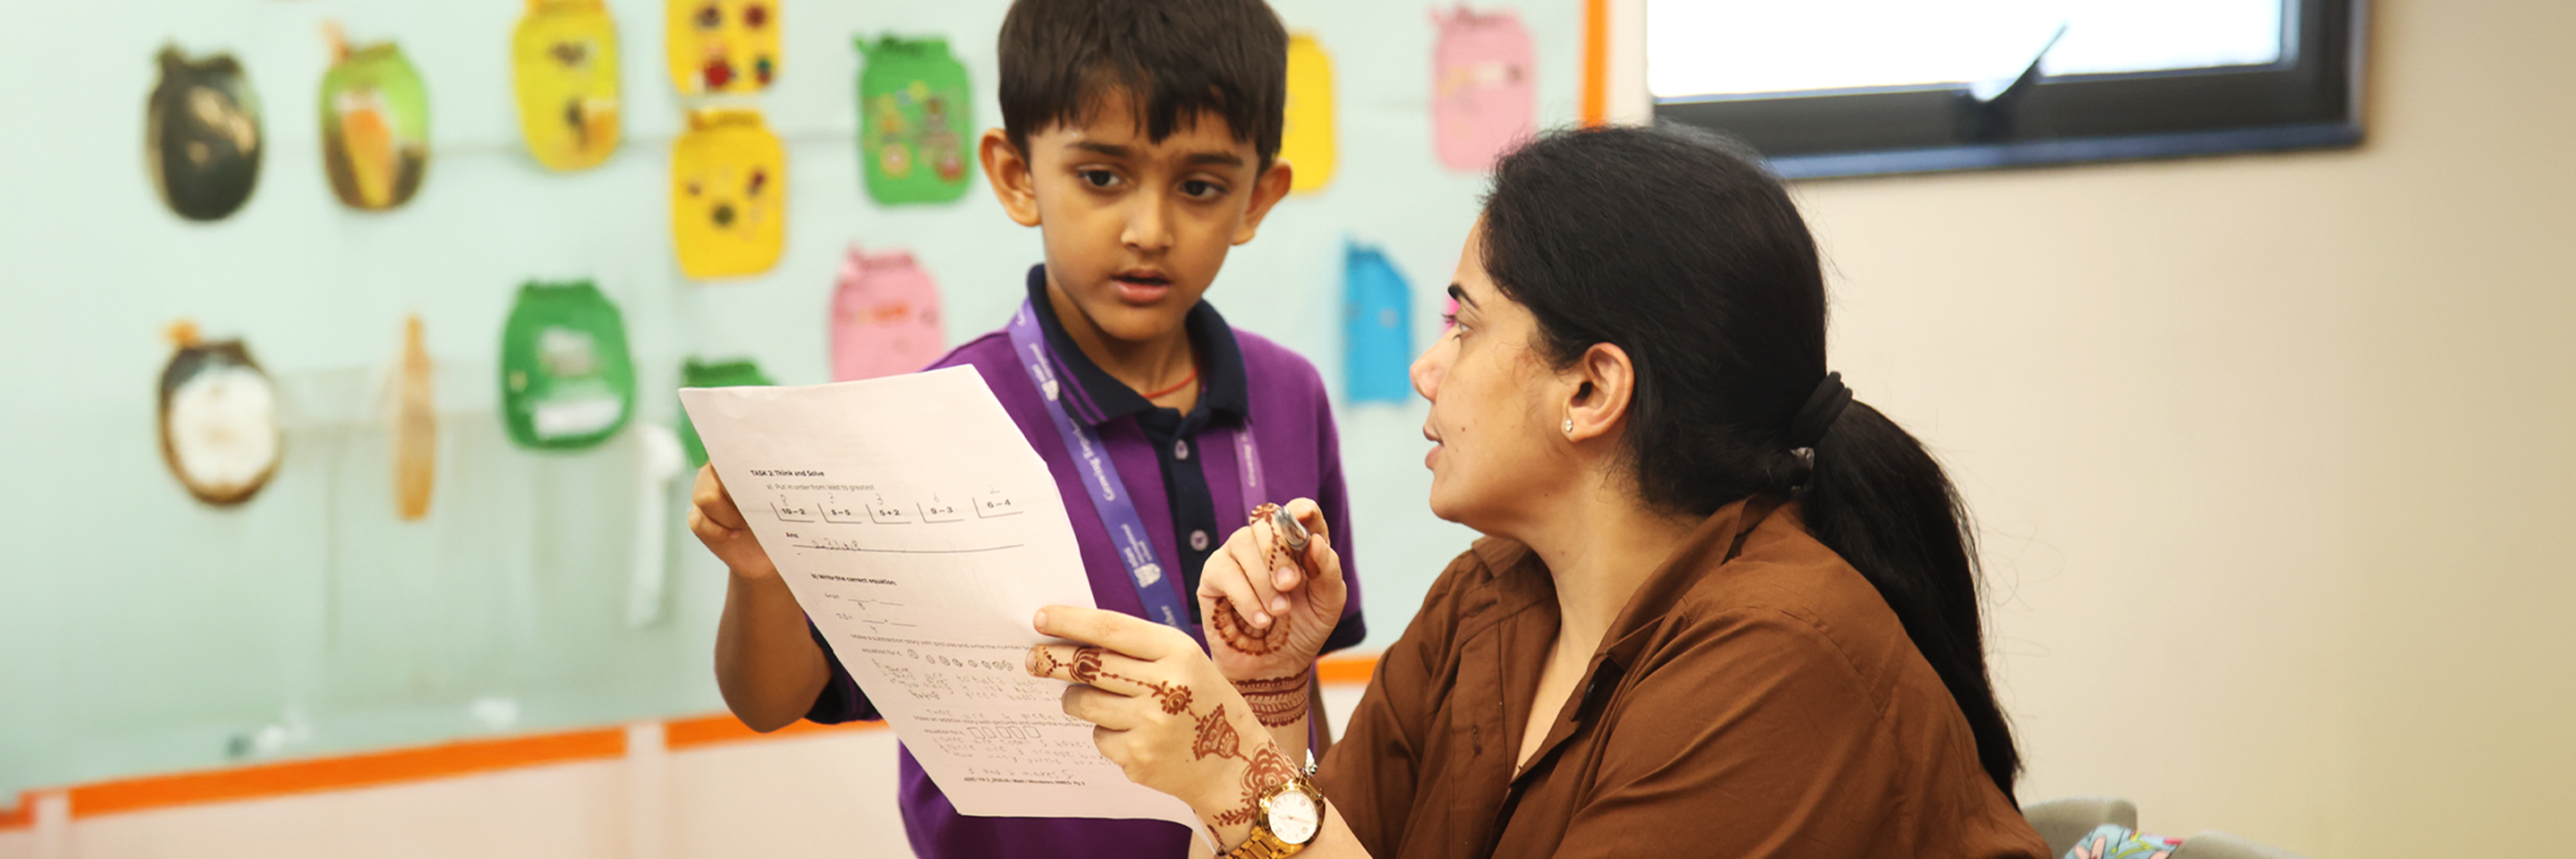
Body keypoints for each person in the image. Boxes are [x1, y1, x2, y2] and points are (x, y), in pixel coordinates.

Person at [1027, 123, 2053, 859]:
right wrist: (1260, 694)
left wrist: (1226, 769)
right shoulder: (1487, 600)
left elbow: (1272, 824)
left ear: (1592, 387)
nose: (1427, 370)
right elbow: (1302, 842)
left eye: (1465, 326)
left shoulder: (1781, 659)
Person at [687, 2, 1368, 856]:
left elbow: (1301, 692)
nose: (1148, 230)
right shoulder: (932, 418)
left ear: (1257, 197)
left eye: (1199, 186)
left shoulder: (1289, 393)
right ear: (1016, 175)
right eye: (1101, 177)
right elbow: (771, 698)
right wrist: (759, 573)